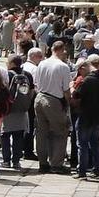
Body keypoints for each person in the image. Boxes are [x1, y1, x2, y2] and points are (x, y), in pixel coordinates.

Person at [33, 42, 73, 172]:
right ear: (62, 50)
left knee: (41, 132)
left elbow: (37, 83)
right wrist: (68, 103)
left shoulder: (42, 64)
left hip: (40, 97)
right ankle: (56, 164)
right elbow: (66, 89)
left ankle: (43, 163)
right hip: (54, 100)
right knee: (60, 131)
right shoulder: (63, 66)